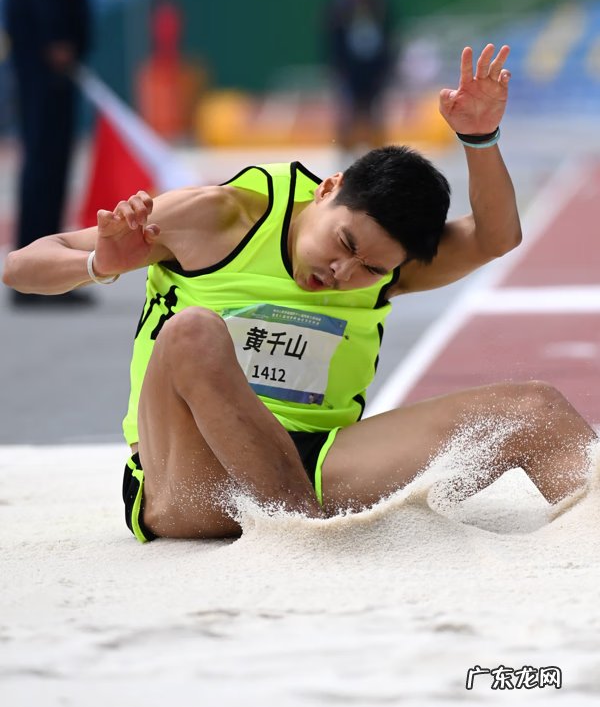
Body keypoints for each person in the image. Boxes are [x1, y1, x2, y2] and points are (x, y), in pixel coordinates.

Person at [3, 45, 596, 541]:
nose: (342, 272)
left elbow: (495, 237)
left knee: (536, 411)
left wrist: (480, 138)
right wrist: (97, 264)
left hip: (318, 463)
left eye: (370, 268)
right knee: (192, 332)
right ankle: (302, 541)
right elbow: (20, 267)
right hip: (190, 478)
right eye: (343, 243)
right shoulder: (216, 217)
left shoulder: (389, 266)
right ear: (328, 188)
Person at [5, 0, 91, 306]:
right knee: (44, 152)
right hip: (43, 42)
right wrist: (57, 32)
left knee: (53, 154)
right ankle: (34, 274)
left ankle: (43, 270)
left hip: (45, 38)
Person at [323, 0, 395, 151]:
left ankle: (379, 154)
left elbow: (390, 35)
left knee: (375, 113)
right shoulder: (337, 3)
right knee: (347, 113)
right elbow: (331, 38)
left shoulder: (380, 1)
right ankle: (344, 154)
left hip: (375, 68)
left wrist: (388, 67)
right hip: (347, 68)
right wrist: (335, 68)